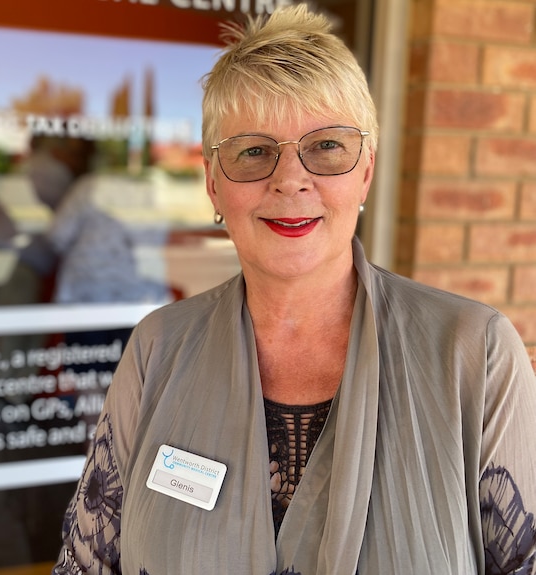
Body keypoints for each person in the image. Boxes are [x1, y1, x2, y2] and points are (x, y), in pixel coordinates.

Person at [52, 5, 536, 575]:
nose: (290, 178)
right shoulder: (159, 348)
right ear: (214, 183)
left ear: (366, 172)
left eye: (327, 146)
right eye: (254, 151)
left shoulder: (472, 352)